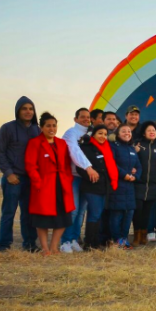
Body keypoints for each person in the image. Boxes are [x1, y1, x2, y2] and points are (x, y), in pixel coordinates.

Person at [25, 112, 75, 255]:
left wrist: (67, 179)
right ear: (41, 127)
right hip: (44, 185)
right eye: (48, 126)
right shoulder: (34, 143)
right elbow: (30, 165)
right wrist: (38, 182)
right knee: (43, 219)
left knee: (63, 218)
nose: (51, 128)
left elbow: (66, 164)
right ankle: (45, 248)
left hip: (61, 185)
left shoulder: (62, 143)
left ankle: (54, 247)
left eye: (54, 125)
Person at [0, 96, 41, 252]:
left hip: (31, 178)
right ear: (18, 111)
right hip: (13, 178)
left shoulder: (37, 129)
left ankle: (29, 244)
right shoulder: (7, 128)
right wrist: (8, 173)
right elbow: (0, 152)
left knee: (29, 214)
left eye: (30, 108)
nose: (28, 111)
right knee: (9, 212)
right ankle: (4, 245)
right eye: (24, 108)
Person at [60, 108, 97, 254]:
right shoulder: (71, 133)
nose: (86, 119)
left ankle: (74, 239)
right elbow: (75, 151)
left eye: (88, 117)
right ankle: (65, 241)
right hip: (74, 176)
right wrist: (88, 167)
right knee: (73, 210)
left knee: (81, 211)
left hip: (87, 178)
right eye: (82, 117)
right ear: (75, 119)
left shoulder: (91, 133)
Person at [77, 125, 118, 250]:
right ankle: (90, 244)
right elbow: (80, 166)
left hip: (104, 186)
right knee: (94, 214)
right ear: (93, 134)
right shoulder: (86, 148)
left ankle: (95, 242)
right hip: (92, 186)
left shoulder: (106, 148)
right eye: (100, 133)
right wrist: (91, 175)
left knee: (98, 213)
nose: (103, 136)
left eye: (105, 134)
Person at [134, 121, 156, 245]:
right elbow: (131, 161)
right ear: (144, 133)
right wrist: (135, 152)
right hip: (139, 184)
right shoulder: (138, 145)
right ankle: (136, 235)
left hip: (153, 184)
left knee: (147, 212)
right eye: (149, 130)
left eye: (154, 130)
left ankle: (143, 235)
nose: (152, 132)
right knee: (138, 211)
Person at [109, 125, 142, 249]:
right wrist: (125, 175)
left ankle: (124, 238)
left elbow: (139, 166)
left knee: (129, 213)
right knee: (117, 214)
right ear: (118, 134)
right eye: (124, 131)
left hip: (130, 187)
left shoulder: (132, 149)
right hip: (118, 185)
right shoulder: (114, 146)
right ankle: (116, 239)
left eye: (129, 131)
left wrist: (136, 176)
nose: (127, 133)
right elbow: (112, 164)